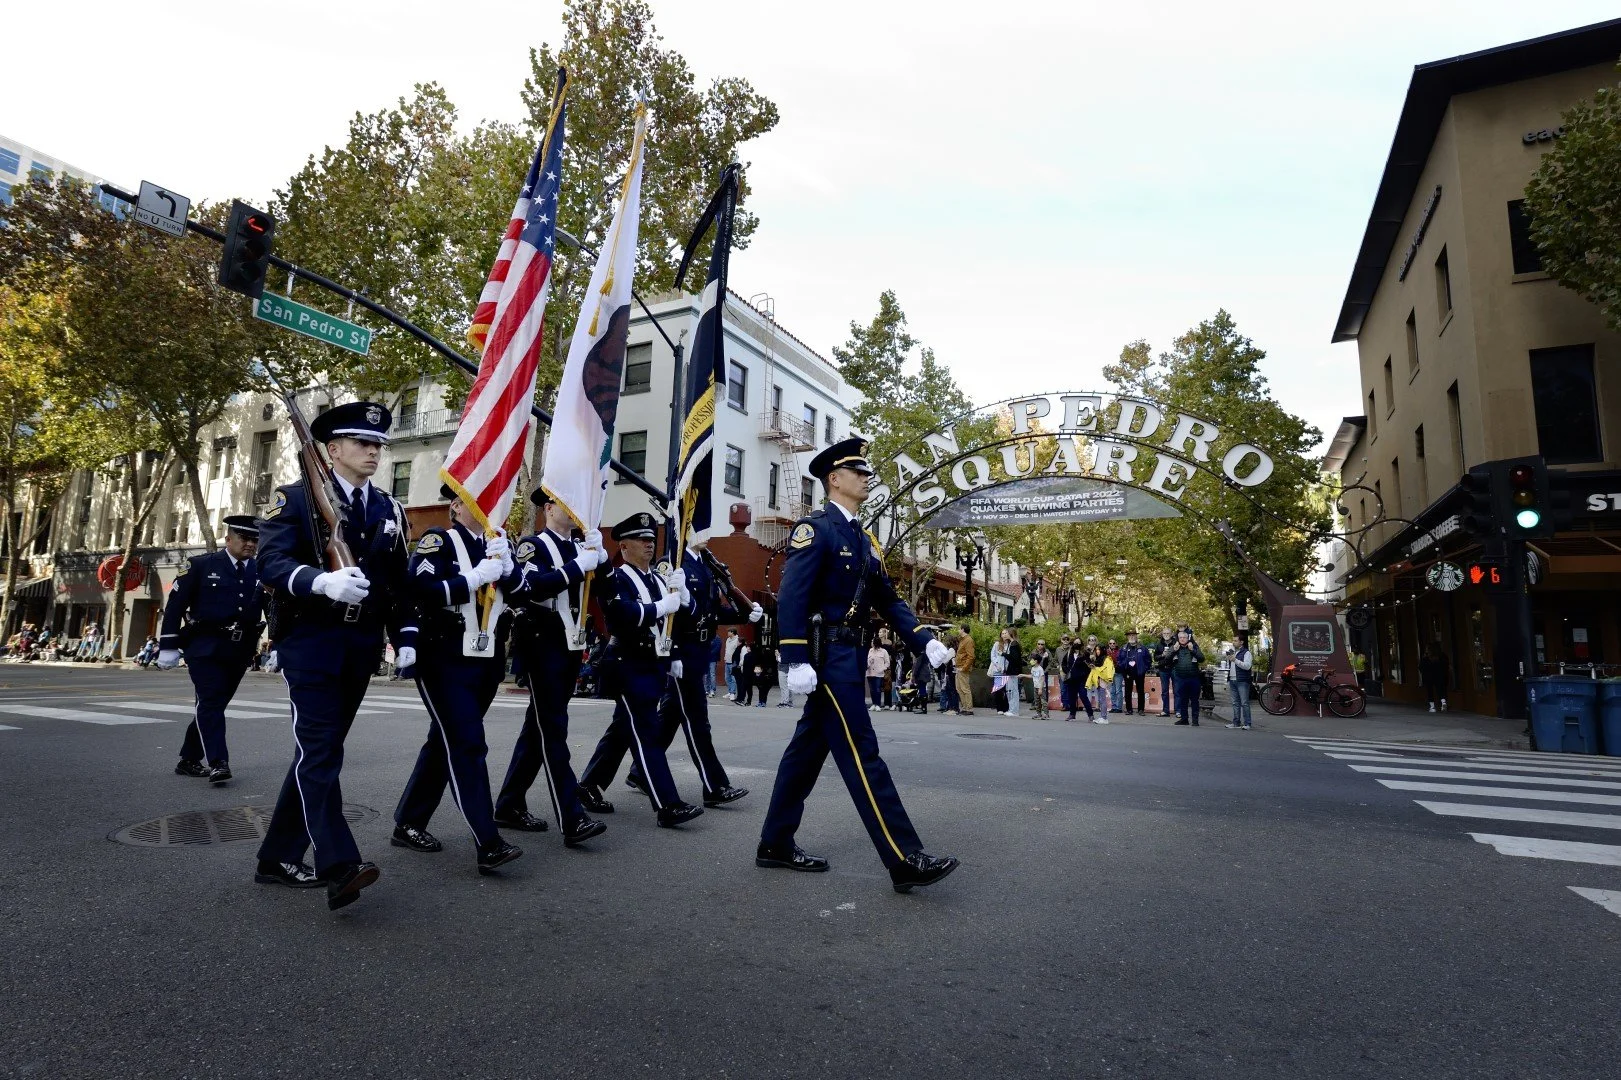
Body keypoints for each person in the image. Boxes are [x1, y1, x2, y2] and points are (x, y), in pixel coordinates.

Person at [760, 437, 959, 893]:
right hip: (828, 657)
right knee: (862, 754)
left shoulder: (863, 537)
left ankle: (774, 842)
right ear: (834, 479)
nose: (867, 478)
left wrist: (922, 638)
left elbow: (886, 597)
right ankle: (904, 857)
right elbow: (792, 595)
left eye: (867, 471)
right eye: (858, 471)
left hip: (848, 654)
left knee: (805, 755)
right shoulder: (816, 529)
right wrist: (793, 657)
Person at [253, 401, 418, 911]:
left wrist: (404, 634)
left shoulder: (387, 508)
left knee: (319, 752)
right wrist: (320, 580)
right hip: (312, 642)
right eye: (363, 443)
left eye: (378, 445)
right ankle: (340, 863)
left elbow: (397, 584)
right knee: (321, 751)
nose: (374, 451)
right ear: (332, 450)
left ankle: (276, 858)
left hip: (360, 644)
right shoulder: (296, 500)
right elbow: (271, 562)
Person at [391, 485, 525, 875]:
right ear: (456, 507)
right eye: (482, 503)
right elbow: (419, 589)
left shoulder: (499, 545)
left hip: (486, 658)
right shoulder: (440, 540)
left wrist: (509, 570)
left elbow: (522, 594)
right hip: (444, 656)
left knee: (444, 742)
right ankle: (488, 841)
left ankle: (409, 821)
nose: (490, 511)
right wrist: (473, 577)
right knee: (467, 744)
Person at [578, 512, 704, 828]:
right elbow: (621, 614)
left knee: (623, 730)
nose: (649, 545)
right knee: (646, 731)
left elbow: (686, 618)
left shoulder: (658, 579)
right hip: (627, 663)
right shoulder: (617, 577)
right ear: (623, 546)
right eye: (641, 540)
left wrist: (685, 597)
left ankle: (588, 785)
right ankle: (668, 805)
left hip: (652, 664)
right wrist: (663, 606)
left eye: (651, 539)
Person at [499, 486, 612, 837]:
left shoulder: (580, 547)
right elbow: (532, 587)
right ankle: (571, 815)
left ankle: (509, 804)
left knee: (539, 728)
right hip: (541, 641)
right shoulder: (535, 545)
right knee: (553, 728)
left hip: (569, 646)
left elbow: (606, 592)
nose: (576, 510)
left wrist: (603, 560)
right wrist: (578, 567)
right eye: (567, 503)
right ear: (549, 508)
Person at [625, 535, 759, 804]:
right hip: (682, 654)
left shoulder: (706, 563)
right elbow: (669, 614)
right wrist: (672, 653)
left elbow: (711, 612)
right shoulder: (672, 563)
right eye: (702, 526)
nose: (707, 533)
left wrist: (744, 613)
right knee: (698, 720)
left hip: (699, 651)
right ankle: (714, 786)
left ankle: (640, 772)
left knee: (671, 715)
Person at [157, 514, 266, 785]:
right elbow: (175, 607)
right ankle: (218, 762)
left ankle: (188, 759)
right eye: (245, 538)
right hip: (204, 647)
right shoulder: (200, 565)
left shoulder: (261, 570)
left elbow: (272, 608)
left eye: (255, 539)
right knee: (211, 702)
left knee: (213, 705)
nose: (251, 544)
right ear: (228, 539)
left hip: (240, 650)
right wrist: (168, 646)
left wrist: (281, 643)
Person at [1166, 627, 1206, 726]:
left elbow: (1201, 659)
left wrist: (1193, 650)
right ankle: (1184, 719)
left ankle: (1195, 720)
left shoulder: (1194, 646)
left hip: (1193, 678)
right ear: (1178, 638)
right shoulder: (1175, 647)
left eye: (1184, 637)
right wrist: (1174, 651)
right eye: (1181, 637)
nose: (1183, 639)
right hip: (1180, 678)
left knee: (1194, 700)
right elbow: (1167, 660)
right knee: (1182, 699)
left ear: (1188, 638)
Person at [1117, 630, 1150, 715]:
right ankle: (1129, 709)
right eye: (1130, 635)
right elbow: (1119, 660)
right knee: (1128, 691)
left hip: (1139, 672)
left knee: (1140, 691)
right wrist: (1123, 668)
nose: (1131, 637)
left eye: (1133, 635)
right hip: (1127, 672)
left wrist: (1144, 669)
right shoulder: (1123, 648)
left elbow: (1148, 660)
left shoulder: (1142, 648)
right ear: (1127, 637)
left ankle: (1141, 710)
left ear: (1136, 637)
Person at [1224, 635, 1254, 729]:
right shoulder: (1233, 652)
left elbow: (1247, 666)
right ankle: (1236, 722)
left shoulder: (1246, 653)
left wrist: (1235, 660)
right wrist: (1229, 659)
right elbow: (1232, 667)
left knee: (1244, 702)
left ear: (1241, 642)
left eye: (1236, 641)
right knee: (1235, 703)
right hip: (1232, 679)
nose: (1234, 642)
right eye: (1233, 640)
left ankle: (1247, 723)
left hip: (1242, 680)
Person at [1061, 638, 1093, 721]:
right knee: (1072, 697)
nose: (1077, 644)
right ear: (1072, 644)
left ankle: (1090, 714)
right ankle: (1072, 714)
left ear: (1081, 644)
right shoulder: (1069, 653)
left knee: (1083, 696)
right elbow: (1063, 664)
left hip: (1081, 680)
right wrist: (1067, 671)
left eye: (1079, 643)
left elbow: (1089, 666)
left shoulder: (1085, 654)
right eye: (1075, 643)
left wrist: (1084, 675)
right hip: (1071, 679)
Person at [1086, 642, 1113, 725]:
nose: (1097, 651)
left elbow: (1107, 670)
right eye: (1096, 649)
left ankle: (1104, 717)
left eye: (1099, 649)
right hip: (1098, 681)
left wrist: (1096, 669)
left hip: (1103, 681)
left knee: (1102, 700)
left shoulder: (1107, 659)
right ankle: (1102, 717)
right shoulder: (1098, 659)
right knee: (1101, 700)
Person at [1152, 626, 1177, 716]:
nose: (1166, 635)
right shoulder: (1159, 644)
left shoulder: (1175, 643)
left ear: (1171, 634)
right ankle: (1166, 711)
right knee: (1164, 691)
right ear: (1162, 634)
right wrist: (1162, 655)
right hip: (1163, 669)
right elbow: (1155, 657)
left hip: (1174, 668)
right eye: (1164, 633)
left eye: (1168, 633)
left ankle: (1178, 711)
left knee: (1176, 690)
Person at [1419, 644, 1449, 713]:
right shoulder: (1441, 657)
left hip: (1428, 677)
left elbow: (1421, 667)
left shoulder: (1426, 658)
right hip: (1439, 676)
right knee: (1440, 690)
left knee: (1430, 692)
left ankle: (1432, 707)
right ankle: (1443, 702)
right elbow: (1446, 665)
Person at [954, 623, 976, 716]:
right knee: (959, 688)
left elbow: (971, 656)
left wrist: (964, 667)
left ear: (963, 629)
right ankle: (964, 707)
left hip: (962, 668)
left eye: (959, 629)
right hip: (959, 667)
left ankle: (969, 709)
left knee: (964, 688)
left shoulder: (968, 640)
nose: (958, 630)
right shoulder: (964, 640)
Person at [867, 640, 890, 711]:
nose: (871, 643)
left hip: (879, 673)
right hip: (870, 672)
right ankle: (873, 704)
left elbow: (887, 662)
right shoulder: (870, 650)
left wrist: (882, 668)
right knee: (872, 689)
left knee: (877, 689)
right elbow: (867, 661)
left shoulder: (883, 651)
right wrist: (869, 661)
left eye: (872, 642)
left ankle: (878, 704)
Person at [1029, 650, 1050, 719]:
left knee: (1043, 701)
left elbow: (1042, 679)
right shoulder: (1033, 668)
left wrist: (1040, 688)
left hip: (1041, 687)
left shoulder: (1040, 669)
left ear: (1036, 661)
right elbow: (1032, 676)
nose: (1031, 661)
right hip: (1035, 687)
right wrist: (1022, 675)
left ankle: (1046, 714)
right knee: (1037, 701)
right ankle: (1038, 713)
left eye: (1032, 660)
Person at [723, 629, 740, 699]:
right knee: (727, 678)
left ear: (732, 632)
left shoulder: (737, 640)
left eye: (728, 632)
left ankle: (732, 693)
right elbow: (726, 649)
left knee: (733, 678)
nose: (727, 633)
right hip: (727, 661)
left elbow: (738, 651)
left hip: (733, 662)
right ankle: (730, 692)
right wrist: (725, 656)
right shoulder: (727, 640)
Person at [1106, 639, 1123, 712]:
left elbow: (1119, 661)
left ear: (1116, 644)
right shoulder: (1106, 652)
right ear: (1108, 644)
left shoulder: (1119, 651)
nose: (1112, 644)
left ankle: (1119, 708)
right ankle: (1114, 707)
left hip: (1118, 672)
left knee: (1118, 690)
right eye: (1110, 643)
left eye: (1113, 643)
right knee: (1112, 691)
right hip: (1110, 673)